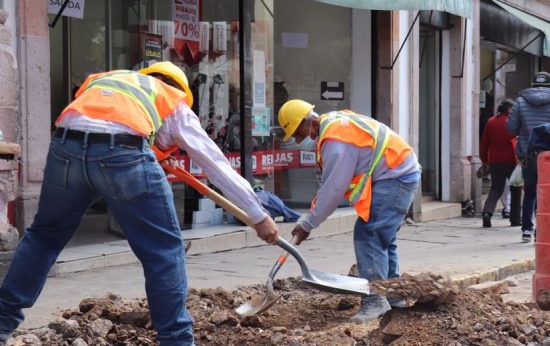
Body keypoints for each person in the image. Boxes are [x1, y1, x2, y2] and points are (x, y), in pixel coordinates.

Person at [0, 62, 279, 346]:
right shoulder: (173, 100)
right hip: (123, 153)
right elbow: (213, 162)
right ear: (180, 89)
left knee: (44, 236)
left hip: (65, 148)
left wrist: (153, 153)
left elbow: (98, 124)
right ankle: (177, 341)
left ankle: (1, 322)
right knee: (163, 250)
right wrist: (258, 215)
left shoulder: (103, 80)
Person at [277, 99, 420, 324]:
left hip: (396, 176)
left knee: (369, 234)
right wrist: (310, 217)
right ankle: (393, 295)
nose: (297, 140)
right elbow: (328, 186)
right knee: (383, 237)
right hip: (399, 173)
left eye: (297, 133)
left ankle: (375, 300)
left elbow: (333, 190)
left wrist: (307, 224)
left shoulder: (335, 141)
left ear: (309, 122)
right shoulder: (331, 126)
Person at [507, 71, 550, 243]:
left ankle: (526, 230)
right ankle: (541, 230)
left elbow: (511, 129)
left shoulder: (520, 102)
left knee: (529, 191)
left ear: (532, 83)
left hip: (528, 154)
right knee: (546, 192)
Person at [479, 101, 518, 228]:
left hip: (495, 161)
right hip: (512, 161)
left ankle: (487, 212)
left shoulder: (491, 122)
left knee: (495, 189)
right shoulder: (513, 122)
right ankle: (515, 218)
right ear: (510, 109)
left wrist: (484, 160)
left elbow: (484, 143)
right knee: (516, 188)